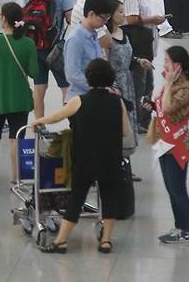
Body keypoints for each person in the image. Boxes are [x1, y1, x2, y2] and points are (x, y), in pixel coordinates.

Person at [35, 58, 130, 254]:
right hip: (110, 158)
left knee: (77, 198)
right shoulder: (117, 101)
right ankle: (106, 241)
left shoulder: (79, 100)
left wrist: (37, 121)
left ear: (89, 78)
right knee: (109, 198)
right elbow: (125, 131)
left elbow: (57, 116)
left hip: (85, 158)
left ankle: (61, 241)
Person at [0, 2, 37, 191]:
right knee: (16, 139)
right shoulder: (28, 43)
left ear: (3, 19)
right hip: (20, 98)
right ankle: (16, 180)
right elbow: (34, 72)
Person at [22, 0, 74, 118]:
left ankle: (39, 125)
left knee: (39, 88)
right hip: (55, 47)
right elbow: (70, 19)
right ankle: (72, 122)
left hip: (36, 45)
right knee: (65, 87)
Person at [120, 0, 167, 130]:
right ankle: (137, 120)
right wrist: (152, 19)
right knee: (139, 84)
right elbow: (131, 19)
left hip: (146, 44)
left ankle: (144, 119)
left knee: (148, 84)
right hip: (138, 46)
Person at [149, 45, 189, 243]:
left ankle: (187, 229)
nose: (164, 65)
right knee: (171, 188)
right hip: (164, 143)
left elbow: (167, 107)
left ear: (178, 65)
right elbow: (159, 106)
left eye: (167, 61)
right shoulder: (170, 84)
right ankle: (179, 226)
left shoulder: (185, 88)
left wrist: (169, 83)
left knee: (177, 189)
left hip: (178, 144)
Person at [106, 0, 151, 149]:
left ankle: (128, 151)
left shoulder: (124, 32)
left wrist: (139, 60)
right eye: (120, 12)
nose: (123, 15)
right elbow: (106, 61)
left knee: (130, 115)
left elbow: (128, 56)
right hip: (115, 83)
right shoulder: (106, 37)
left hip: (128, 81)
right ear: (111, 14)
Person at [64, 0, 113, 98]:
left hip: (95, 95)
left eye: (107, 18)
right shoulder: (75, 38)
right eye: (103, 18)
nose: (105, 22)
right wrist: (97, 88)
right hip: (79, 97)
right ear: (91, 14)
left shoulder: (94, 35)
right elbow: (72, 74)